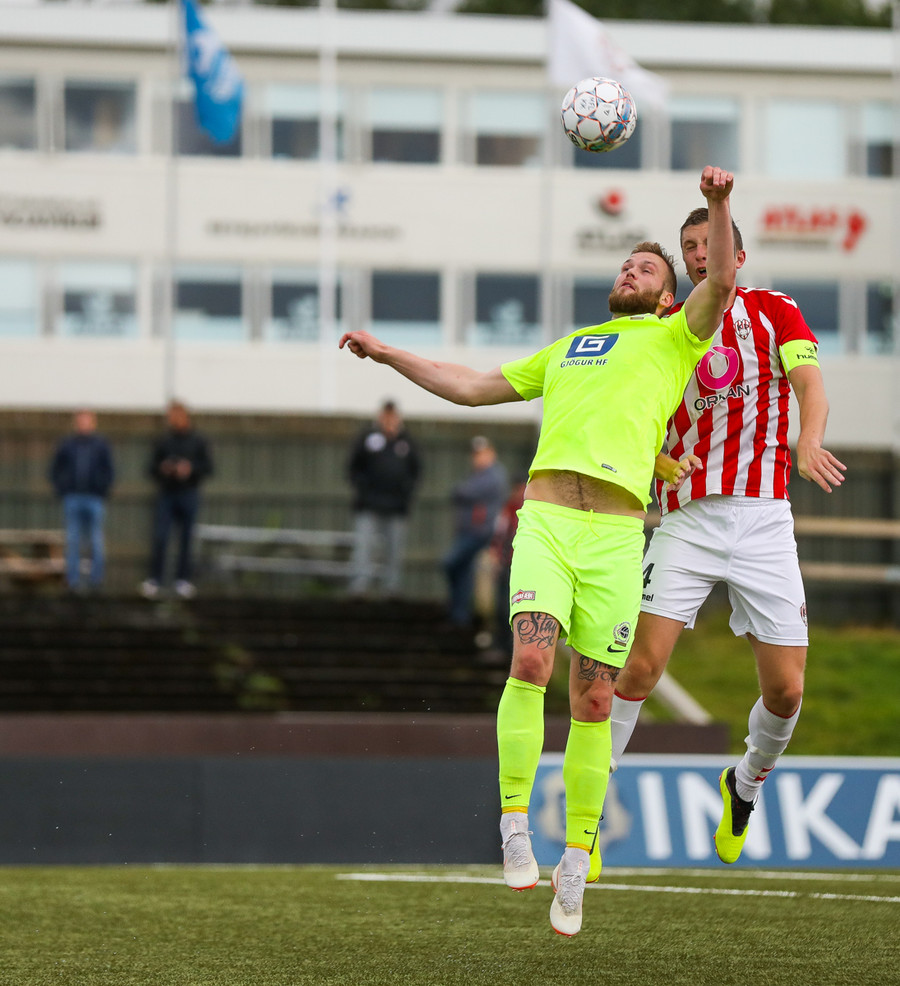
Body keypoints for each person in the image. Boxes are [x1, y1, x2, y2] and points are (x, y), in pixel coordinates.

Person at [340, 165, 737, 937]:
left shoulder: (673, 338)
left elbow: (719, 279)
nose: (629, 271)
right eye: (625, 264)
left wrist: (718, 205)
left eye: (645, 268)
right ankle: (514, 824)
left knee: (596, 702)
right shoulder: (569, 347)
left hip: (616, 541)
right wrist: (389, 355)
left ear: (667, 296)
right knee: (529, 661)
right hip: (548, 524)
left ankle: (577, 859)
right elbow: (470, 386)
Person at [609, 207, 847, 866]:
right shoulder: (664, 327)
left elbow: (810, 384)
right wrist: (659, 461)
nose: (699, 252)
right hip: (688, 519)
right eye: (688, 246)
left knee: (787, 692)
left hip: (764, 517)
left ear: (736, 255)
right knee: (640, 667)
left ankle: (745, 784)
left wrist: (809, 440)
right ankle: (590, 805)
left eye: (708, 242)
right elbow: (629, 419)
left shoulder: (775, 309)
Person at [347, 399, 421, 598]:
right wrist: (364, 489)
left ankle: (392, 588)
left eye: (392, 417)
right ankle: (360, 587)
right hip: (369, 504)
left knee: (394, 550)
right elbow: (353, 467)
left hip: (396, 506)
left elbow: (416, 471)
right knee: (364, 547)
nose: (389, 421)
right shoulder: (367, 438)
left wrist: (405, 492)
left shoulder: (406, 442)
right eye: (385, 416)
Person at [140, 400, 213, 600]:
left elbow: (208, 467)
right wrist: (164, 469)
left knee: (186, 538)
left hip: (189, 493)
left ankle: (183, 579)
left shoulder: (198, 440)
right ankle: (155, 578)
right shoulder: (163, 440)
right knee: (161, 536)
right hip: (167, 494)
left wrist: (190, 469)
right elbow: (150, 468)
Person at [444, 436, 509, 627]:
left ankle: (462, 614)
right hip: (470, 531)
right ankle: (459, 614)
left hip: (481, 534)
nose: (478, 458)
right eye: (475, 455)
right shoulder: (477, 475)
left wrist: (462, 491)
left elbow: (463, 492)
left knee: (452, 563)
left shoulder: (494, 476)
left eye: (482, 454)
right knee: (462, 570)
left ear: (491, 453)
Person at [48, 408, 115, 592]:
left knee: (95, 540)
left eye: (87, 421)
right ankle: (73, 581)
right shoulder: (67, 444)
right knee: (73, 540)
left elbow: (110, 471)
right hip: (72, 498)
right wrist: (63, 489)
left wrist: (102, 489)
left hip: (94, 498)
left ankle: (96, 581)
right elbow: (55, 469)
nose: (83, 424)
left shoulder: (101, 444)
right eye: (81, 421)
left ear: (93, 423)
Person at [489, 473, 527, 654]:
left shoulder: (531, 510)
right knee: (502, 606)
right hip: (507, 564)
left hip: (523, 566)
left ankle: (512, 647)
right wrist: (496, 556)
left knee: (516, 607)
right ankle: (502, 645)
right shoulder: (509, 509)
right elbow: (499, 534)